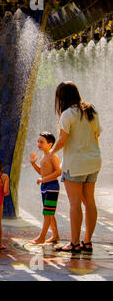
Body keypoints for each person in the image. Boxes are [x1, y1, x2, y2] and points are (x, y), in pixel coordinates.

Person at [51, 81, 102, 253]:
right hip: (93, 162)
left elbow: (62, 141)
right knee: (90, 202)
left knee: (74, 204)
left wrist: (50, 153)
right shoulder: (90, 111)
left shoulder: (68, 114)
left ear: (62, 97)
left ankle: (73, 243)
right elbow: (97, 135)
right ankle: (87, 241)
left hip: (75, 164)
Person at [29, 132, 61, 244]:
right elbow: (42, 172)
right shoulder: (44, 156)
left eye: (41, 142)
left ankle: (42, 237)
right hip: (46, 186)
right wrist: (33, 164)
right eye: (38, 141)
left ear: (50, 144)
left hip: (52, 187)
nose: (39, 143)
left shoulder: (53, 155)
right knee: (49, 213)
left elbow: (58, 172)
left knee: (47, 213)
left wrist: (43, 180)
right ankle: (55, 235)